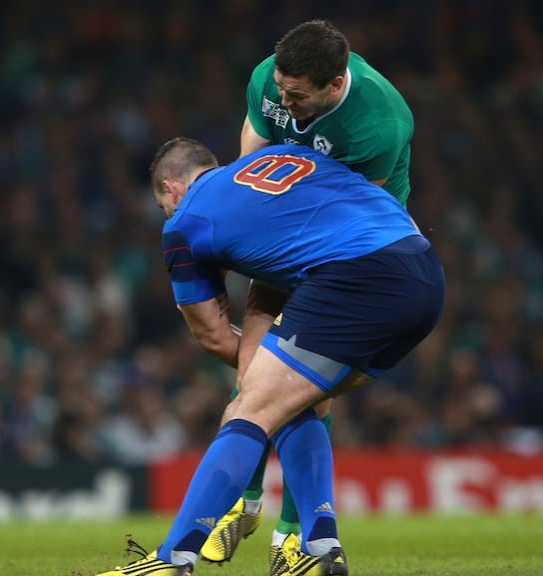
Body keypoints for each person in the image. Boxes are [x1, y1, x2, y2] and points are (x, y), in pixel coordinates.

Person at [94, 138, 443, 576]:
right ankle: (319, 548)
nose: (169, 214)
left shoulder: (185, 221)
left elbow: (214, 336)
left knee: (250, 405)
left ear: (173, 189)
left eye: (165, 205)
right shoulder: (279, 156)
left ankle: (173, 559)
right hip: (423, 275)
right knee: (295, 398)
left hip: (356, 278)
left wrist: (260, 365)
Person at [200, 19, 416, 572]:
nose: (286, 102)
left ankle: (291, 534)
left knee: (306, 391)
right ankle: (245, 507)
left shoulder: (379, 123)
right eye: (281, 90)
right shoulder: (269, 83)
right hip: (287, 228)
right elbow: (253, 154)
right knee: (253, 370)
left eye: (299, 98)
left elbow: (350, 215)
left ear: (335, 84)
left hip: (355, 249)